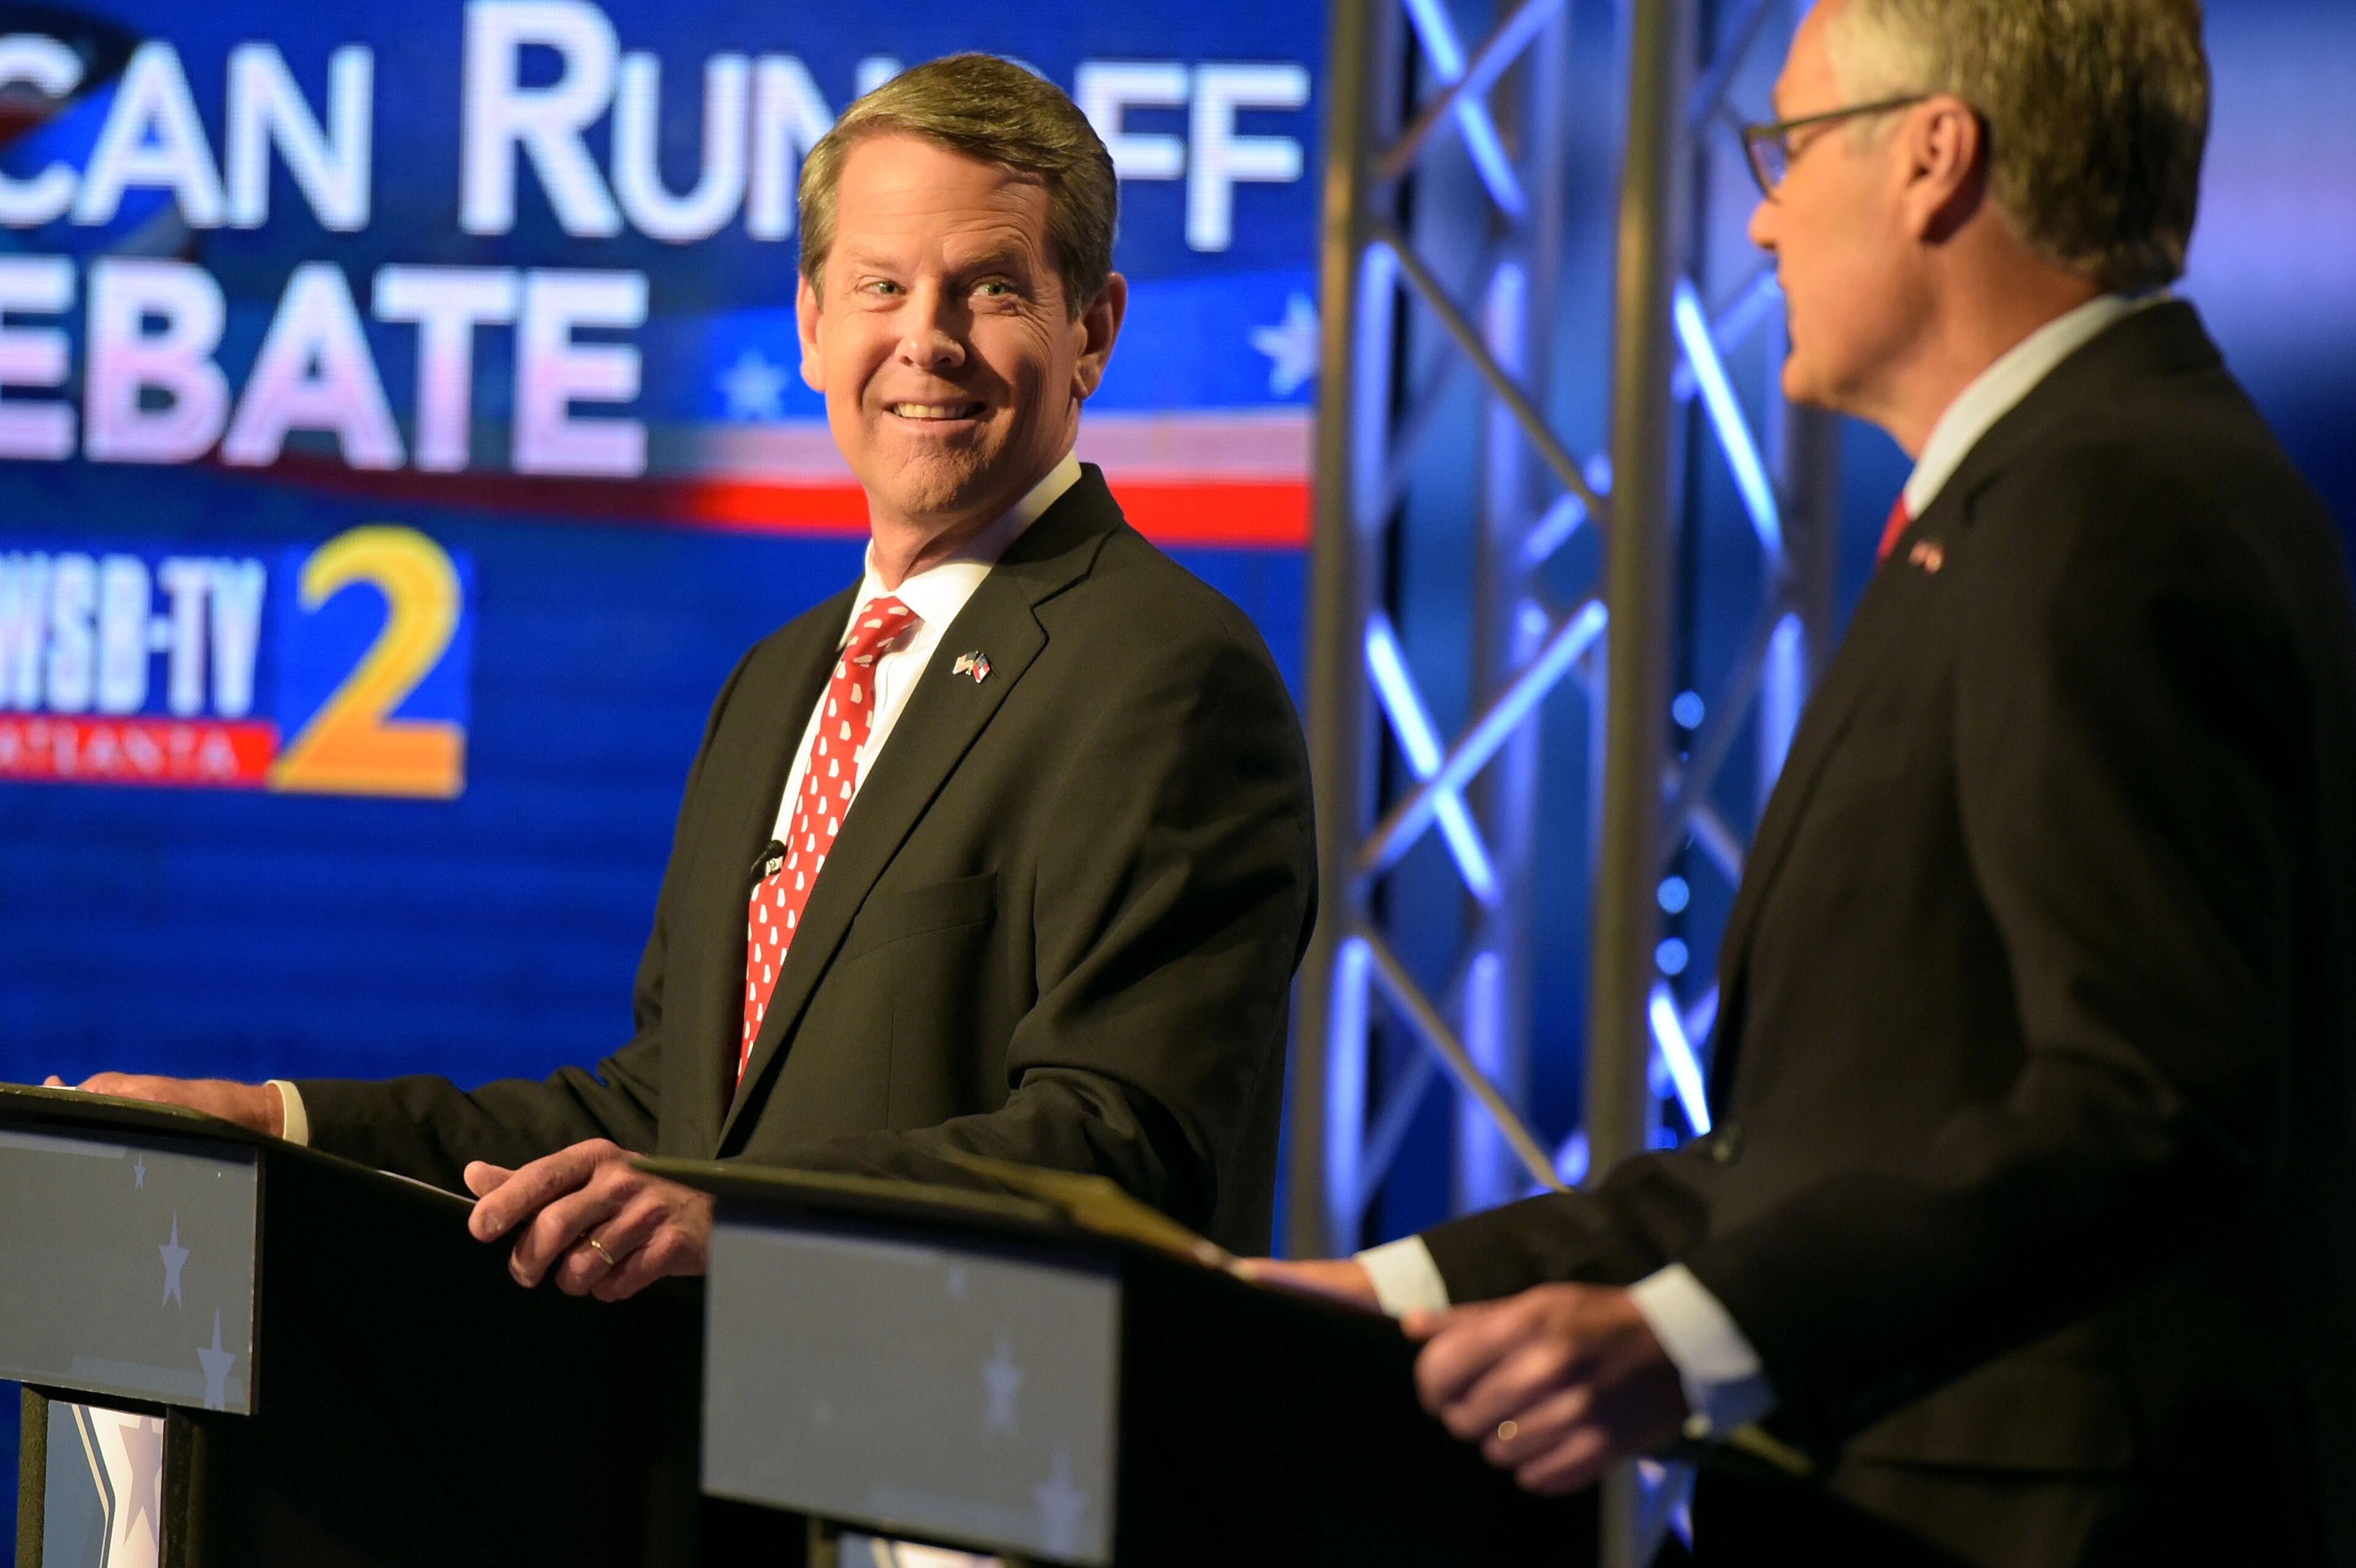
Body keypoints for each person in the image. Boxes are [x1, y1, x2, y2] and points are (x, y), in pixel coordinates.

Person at [1257, 1, 2356, 1562]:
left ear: (1933, 155)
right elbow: (1823, 1152)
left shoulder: (2115, 507)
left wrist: (1686, 1341)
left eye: (1787, 144)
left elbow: (2149, 1099)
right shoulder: (2034, 497)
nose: (1761, 213)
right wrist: (1388, 1297)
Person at [58, 56, 1316, 1302]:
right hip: (733, 1469)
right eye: (881, 286)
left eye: (988, 290)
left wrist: (741, 1218)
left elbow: (1124, 1146)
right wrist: (277, 1127)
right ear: (815, 327)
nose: (924, 341)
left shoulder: (1167, 675)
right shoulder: (779, 682)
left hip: (992, 1469)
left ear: (1092, 330)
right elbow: (670, 1115)